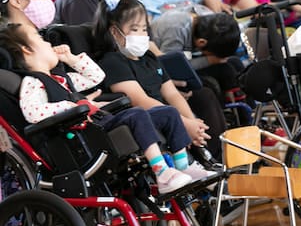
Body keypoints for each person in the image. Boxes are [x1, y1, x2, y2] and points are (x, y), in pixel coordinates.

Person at [0, 22, 207, 194]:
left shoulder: (63, 78)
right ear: (27, 49)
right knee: (136, 114)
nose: (48, 43)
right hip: (85, 138)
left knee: (168, 112)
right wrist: (73, 106)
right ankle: (162, 173)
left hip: (98, 124)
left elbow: (96, 77)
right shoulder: (33, 82)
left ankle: (183, 166)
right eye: (40, 39)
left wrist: (71, 59)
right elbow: (33, 112)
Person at [93, 0, 225, 163]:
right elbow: (139, 100)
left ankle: (214, 159)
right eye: (134, 29)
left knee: (204, 97)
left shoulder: (149, 57)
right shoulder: (112, 61)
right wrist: (183, 123)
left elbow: (172, 94)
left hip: (169, 116)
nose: (141, 35)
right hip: (147, 120)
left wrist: (192, 123)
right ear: (114, 31)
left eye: (144, 29)